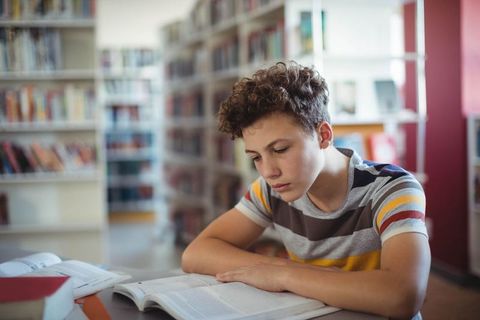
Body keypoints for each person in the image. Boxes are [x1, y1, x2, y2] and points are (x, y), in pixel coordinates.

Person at [181, 61, 430, 319]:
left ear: (323, 135)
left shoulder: (392, 189)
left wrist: (284, 275)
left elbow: (402, 296)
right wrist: (279, 268)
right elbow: (196, 254)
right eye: (256, 157)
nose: (268, 172)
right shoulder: (271, 190)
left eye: (279, 150)